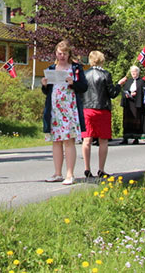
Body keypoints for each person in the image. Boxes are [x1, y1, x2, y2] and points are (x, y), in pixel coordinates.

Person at [41, 40, 87, 185]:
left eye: (64, 54)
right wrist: (44, 85)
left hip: (69, 109)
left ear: (69, 54)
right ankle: (57, 173)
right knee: (56, 141)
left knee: (68, 141)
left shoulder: (76, 68)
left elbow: (84, 87)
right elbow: (47, 91)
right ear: (56, 53)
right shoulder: (52, 68)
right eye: (59, 53)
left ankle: (70, 174)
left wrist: (73, 82)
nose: (62, 56)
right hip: (54, 110)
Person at [82, 51, 126, 178]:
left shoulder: (84, 75)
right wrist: (119, 84)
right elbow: (112, 93)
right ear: (102, 60)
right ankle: (101, 169)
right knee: (103, 140)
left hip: (87, 108)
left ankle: (87, 168)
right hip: (102, 109)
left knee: (87, 139)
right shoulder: (106, 74)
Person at [120, 65, 145, 144]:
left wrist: (136, 94)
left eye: (135, 72)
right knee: (126, 121)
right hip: (128, 104)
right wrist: (126, 95)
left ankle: (136, 138)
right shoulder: (128, 81)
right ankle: (125, 138)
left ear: (138, 72)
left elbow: (143, 92)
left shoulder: (141, 81)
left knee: (136, 121)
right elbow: (124, 90)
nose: (133, 73)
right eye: (132, 72)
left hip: (136, 104)